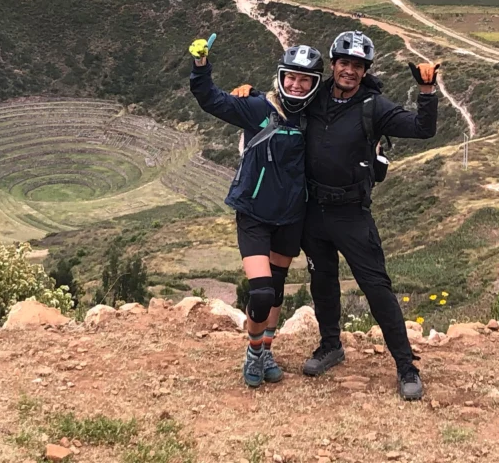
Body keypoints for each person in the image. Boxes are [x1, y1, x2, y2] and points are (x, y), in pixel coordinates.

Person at [299, 30, 439, 400]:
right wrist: (247, 96)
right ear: (333, 64)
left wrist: (427, 92)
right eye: (344, 62)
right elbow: (281, 99)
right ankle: (331, 346)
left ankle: (406, 367)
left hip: (351, 213)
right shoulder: (313, 97)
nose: (349, 70)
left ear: (364, 71)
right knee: (322, 283)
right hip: (314, 211)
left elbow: (423, 129)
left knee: (378, 290)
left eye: (358, 66)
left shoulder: (372, 106)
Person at [188, 38, 324, 387]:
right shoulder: (257, 107)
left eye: (304, 80)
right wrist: (201, 67)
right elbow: (211, 100)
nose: (296, 84)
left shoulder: (315, 117)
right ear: (281, 76)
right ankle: (252, 352)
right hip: (253, 213)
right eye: (290, 76)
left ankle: (266, 350)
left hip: (291, 216)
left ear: (314, 85)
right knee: (261, 292)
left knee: (277, 291)